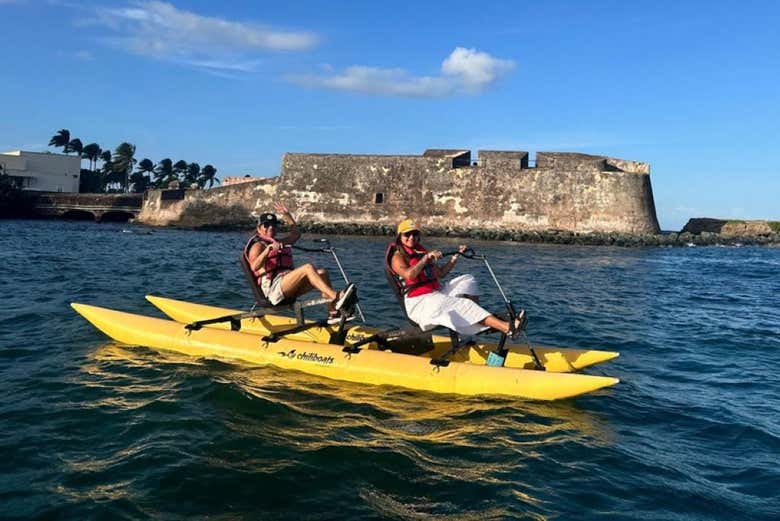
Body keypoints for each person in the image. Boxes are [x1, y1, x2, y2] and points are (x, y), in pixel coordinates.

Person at [389, 218, 525, 336]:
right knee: (463, 304)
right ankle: (507, 328)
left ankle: (474, 322)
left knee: (468, 280)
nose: (411, 237)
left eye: (415, 234)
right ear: (400, 236)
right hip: (419, 303)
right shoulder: (397, 256)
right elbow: (409, 275)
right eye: (407, 234)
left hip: (435, 293)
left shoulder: (420, 251)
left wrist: (456, 256)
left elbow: (441, 273)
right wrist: (426, 258)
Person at [245, 201, 355, 316]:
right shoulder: (258, 246)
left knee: (323, 273)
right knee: (307, 267)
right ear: (259, 229)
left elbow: (296, 234)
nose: (271, 227)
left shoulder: (279, 242)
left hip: (287, 286)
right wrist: (268, 250)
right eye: (266, 225)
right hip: (273, 290)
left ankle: (333, 312)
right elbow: (254, 266)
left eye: (274, 224)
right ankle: (336, 297)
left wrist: (287, 215)